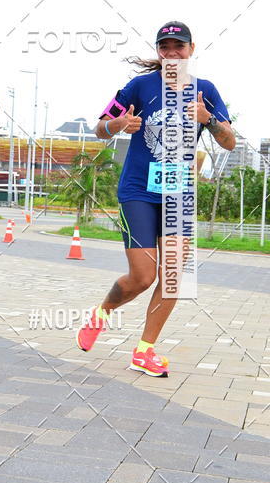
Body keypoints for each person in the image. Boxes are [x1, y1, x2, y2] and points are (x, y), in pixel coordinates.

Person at [76, 21, 235, 377]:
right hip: (138, 191)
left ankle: (144, 350)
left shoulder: (205, 90)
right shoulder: (140, 86)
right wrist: (117, 125)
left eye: (179, 47)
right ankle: (101, 312)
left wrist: (208, 120)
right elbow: (99, 126)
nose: (172, 53)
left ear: (191, 50)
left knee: (176, 277)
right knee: (143, 276)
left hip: (178, 195)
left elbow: (229, 142)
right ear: (159, 52)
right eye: (165, 47)